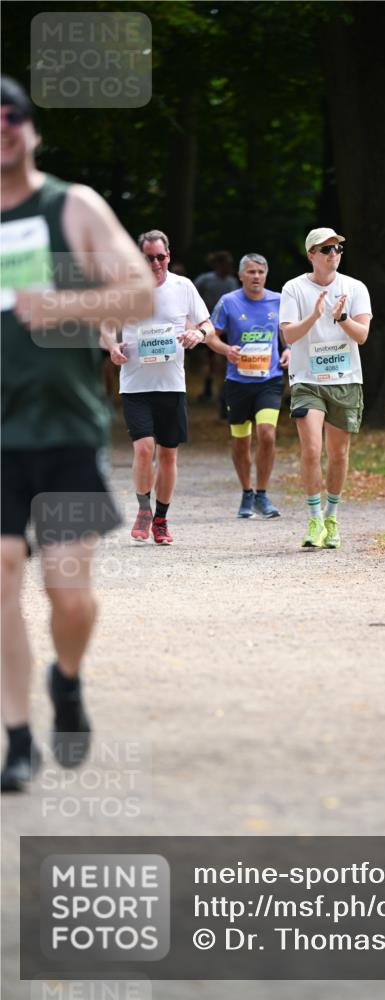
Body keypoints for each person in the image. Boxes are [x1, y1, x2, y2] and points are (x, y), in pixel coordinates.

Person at [0, 76, 153, 791]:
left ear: (30, 128)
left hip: (63, 429)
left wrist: (61, 301)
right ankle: (17, 737)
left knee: (69, 592)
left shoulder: (72, 205)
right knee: (2, 575)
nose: (2, 128)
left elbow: (139, 291)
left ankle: (66, 680)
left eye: (12, 116)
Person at [109, 229, 213, 545]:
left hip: (171, 385)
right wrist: (111, 347)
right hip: (135, 384)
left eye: (160, 256)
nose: (155, 263)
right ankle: (143, 508)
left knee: (168, 455)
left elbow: (206, 323)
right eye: (148, 257)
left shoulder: (184, 287)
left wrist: (200, 335)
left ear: (168, 256)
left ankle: (161, 519)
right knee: (143, 448)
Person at [279, 227, 372, 549]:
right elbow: (289, 336)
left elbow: (361, 335)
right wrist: (314, 316)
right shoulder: (294, 288)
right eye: (326, 249)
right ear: (311, 255)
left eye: (337, 249)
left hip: (346, 380)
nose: (333, 254)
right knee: (311, 449)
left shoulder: (355, 287)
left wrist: (341, 317)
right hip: (307, 380)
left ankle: (332, 516)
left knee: (338, 453)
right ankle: (314, 518)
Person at [207, 254, 289, 518]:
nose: (256, 276)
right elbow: (210, 335)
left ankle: (262, 495)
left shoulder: (279, 301)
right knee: (241, 442)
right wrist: (225, 350)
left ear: (266, 275)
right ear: (240, 275)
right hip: (238, 382)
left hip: (270, 380)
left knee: (267, 434)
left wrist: (289, 350)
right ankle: (246, 493)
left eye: (261, 272)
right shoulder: (228, 302)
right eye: (251, 272)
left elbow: (290, 333)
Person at [194, 251, 239, 402]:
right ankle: (207, 388)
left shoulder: (232, 282)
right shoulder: (205, 280)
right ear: (217, 264)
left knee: (223, 360)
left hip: (226, 327)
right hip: (207, 325)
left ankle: (223, 392)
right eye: (225, 264)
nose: (228, 267)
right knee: (208, 360)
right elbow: (193, 298)